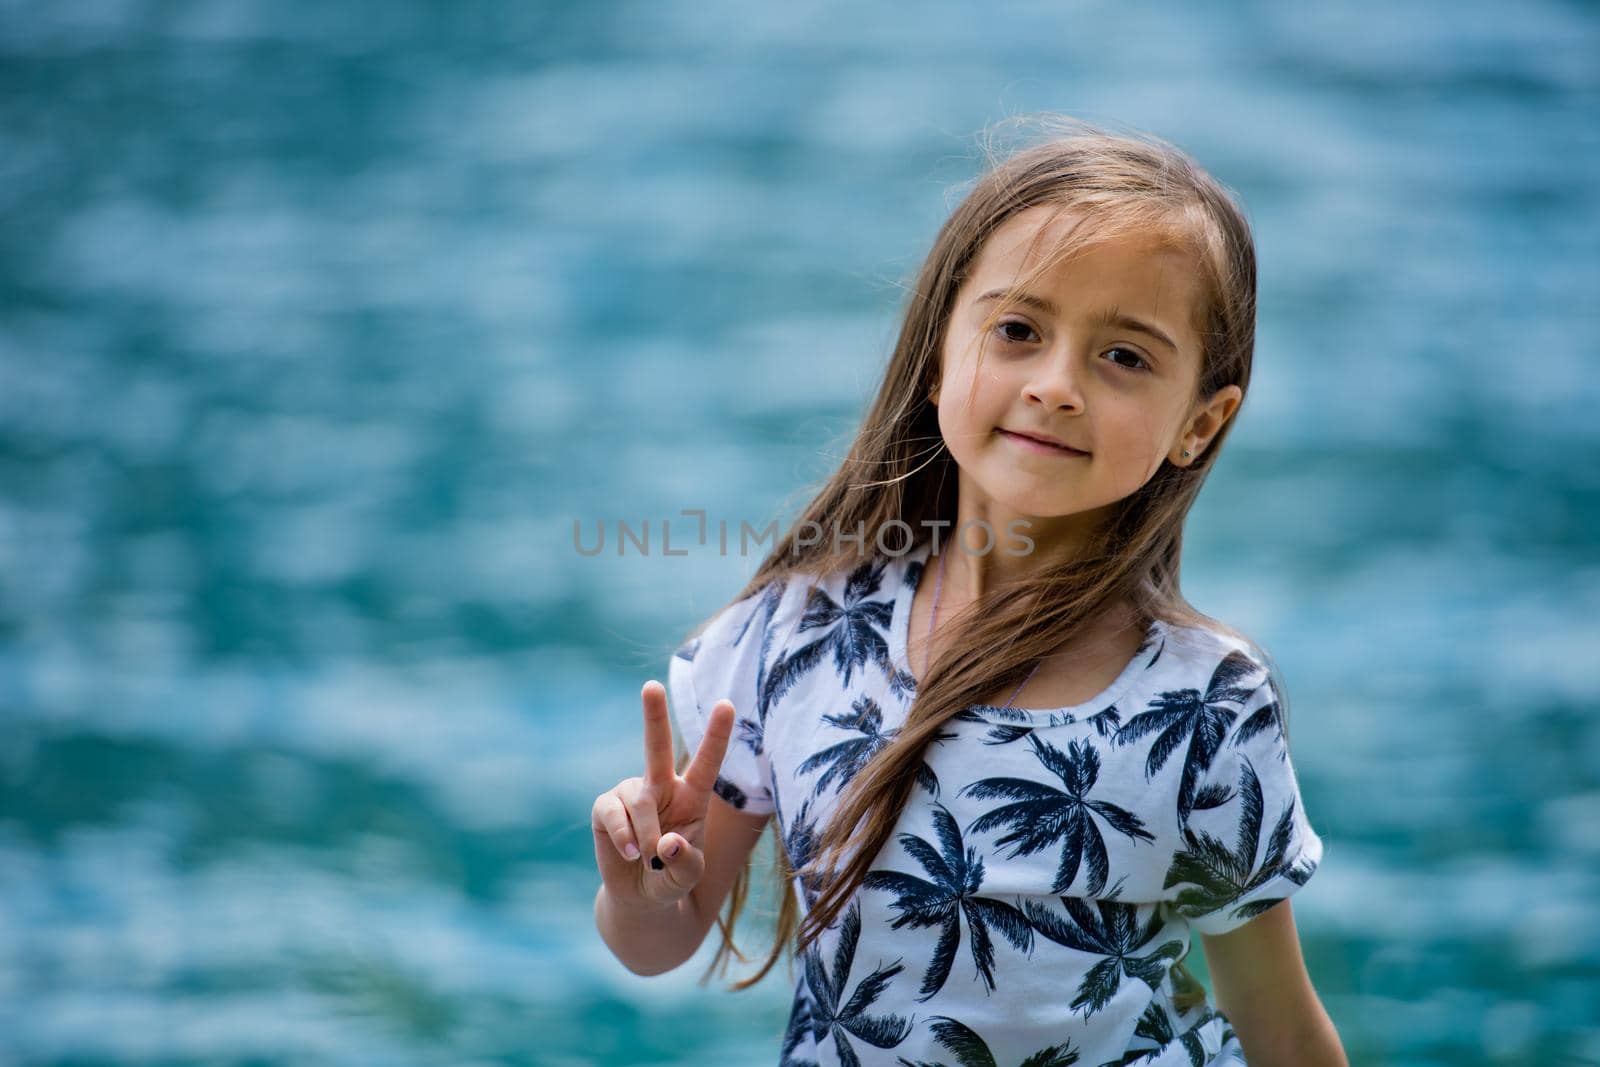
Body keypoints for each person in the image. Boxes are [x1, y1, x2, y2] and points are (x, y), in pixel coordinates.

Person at [592, 115, 1349, 1066]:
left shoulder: (1204, 704)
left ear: (1202, 420)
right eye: (1020, 330)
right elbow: (662, 940)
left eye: (1125, 355)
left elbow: (1276, 1020)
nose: (1058, 384)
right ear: (942, 348)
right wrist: (640, 886)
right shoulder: (795, 635)